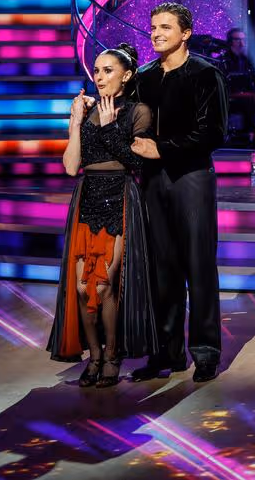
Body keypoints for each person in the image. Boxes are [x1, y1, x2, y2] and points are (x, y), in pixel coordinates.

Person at [47, 44, 157, 387]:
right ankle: (93, 356)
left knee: (106, 284)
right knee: (83, 289)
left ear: (127, 75)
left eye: (108, 70)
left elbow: (138, 164)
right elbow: (70, 168)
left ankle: (112, 355)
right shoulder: (88, 111)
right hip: (87, 197)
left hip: (119, 195)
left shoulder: (138, 111)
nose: (99, 77)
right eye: (96, 70)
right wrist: (76, 123)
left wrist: (110, 128)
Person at [129, 3, 228, 383]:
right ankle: (165, 353)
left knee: (198, 265)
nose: (156, 33)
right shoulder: (144, 77)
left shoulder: (205, 74)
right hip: (153, 180)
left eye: (165, 27)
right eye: (153, 27)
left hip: (191, 176)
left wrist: (163, 149)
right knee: (161, 268)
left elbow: (213, 132)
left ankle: (205, 352)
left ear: (185, 33)